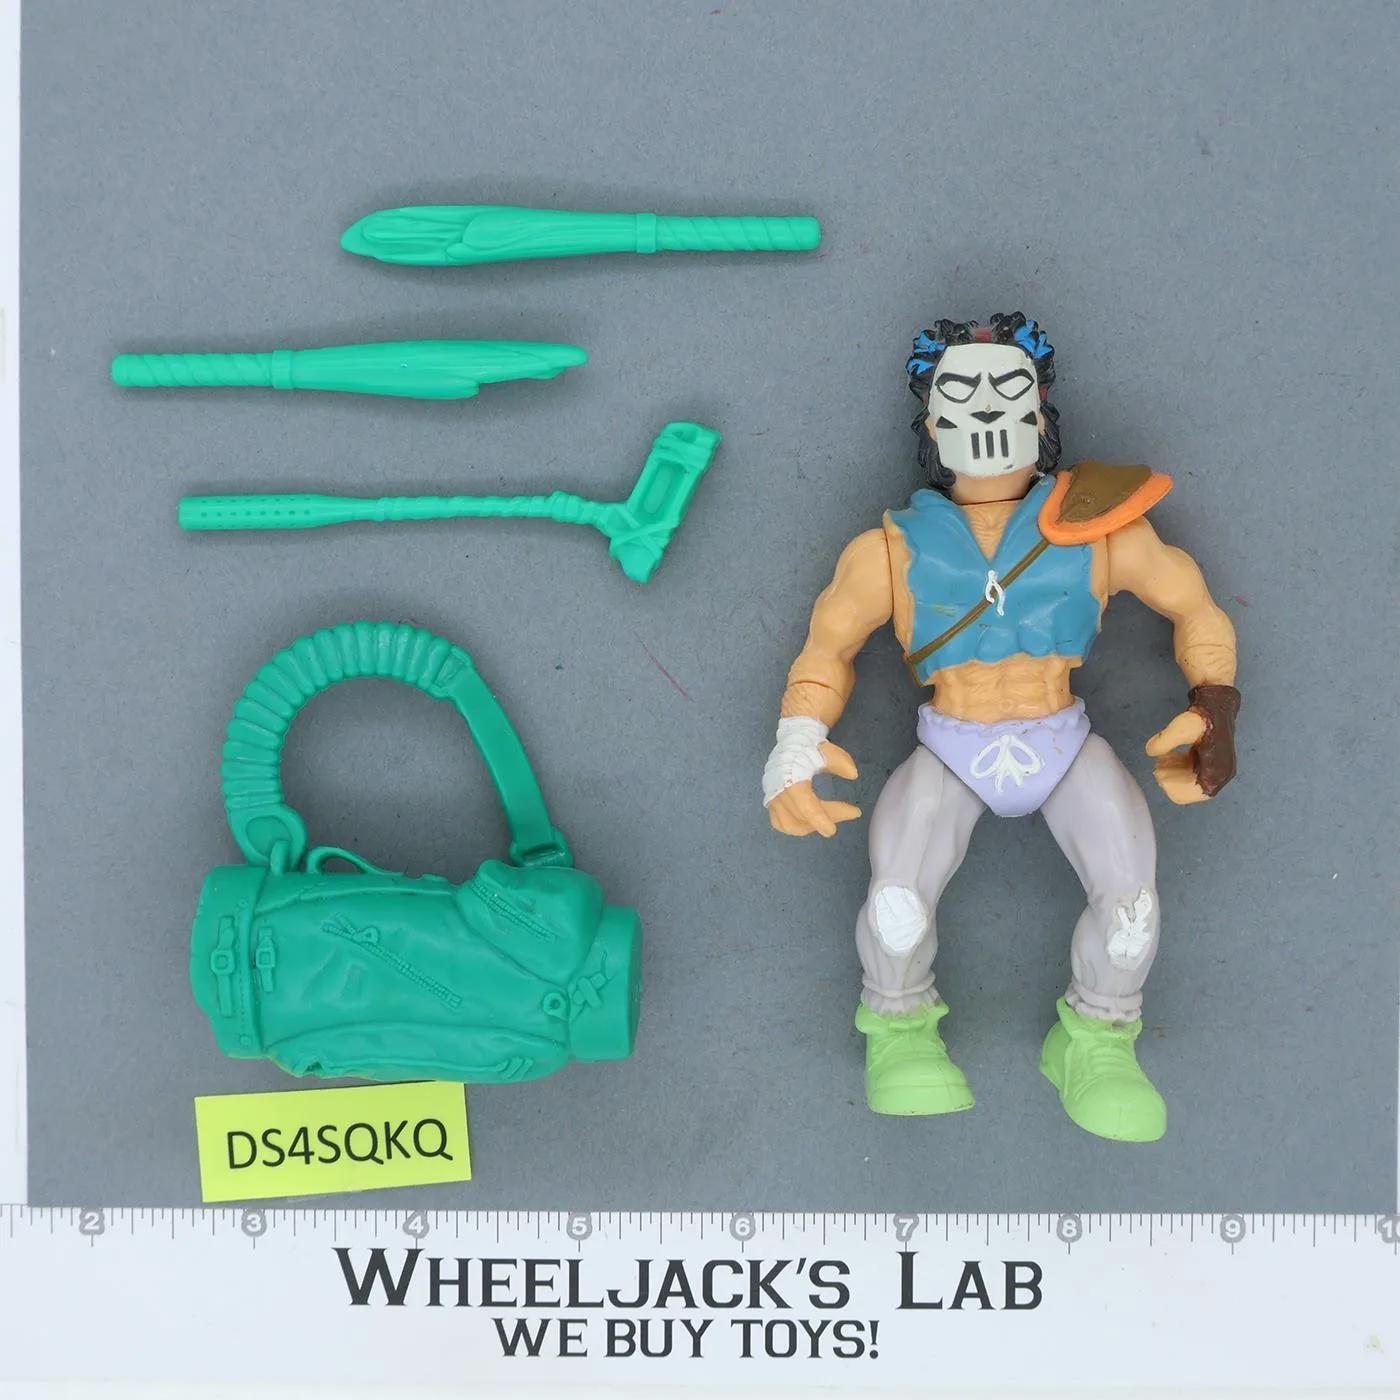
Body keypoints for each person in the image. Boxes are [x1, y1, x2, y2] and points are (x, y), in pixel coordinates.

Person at [763, 313, 1239, 1142]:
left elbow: (1195, 608)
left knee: (1132, 912)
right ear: (931, 419)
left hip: (1061, 735)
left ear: (1040, 407)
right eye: (963, 392)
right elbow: (826, 651)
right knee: (897, 905)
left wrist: (1215, 710)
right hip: (953, 743)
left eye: (1006, 388)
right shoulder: (889, 551)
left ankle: (1096, 1042)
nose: (985, 408)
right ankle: (899, 1034)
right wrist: (795, 744)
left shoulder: (1100, 529)